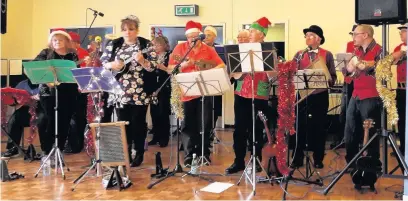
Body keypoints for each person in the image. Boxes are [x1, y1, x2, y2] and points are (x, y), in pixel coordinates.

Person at [100, 15, 156, 167]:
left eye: (131, 29)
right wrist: (113, 64)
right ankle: (126, 152)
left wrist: (143, 61)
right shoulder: (115, 44)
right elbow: (104, 63)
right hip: (119, 92)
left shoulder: (146, 44)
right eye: (124, 30)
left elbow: (153, 67)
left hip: (140, 91)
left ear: (137, 30)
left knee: (138, 123)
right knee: (123, 123)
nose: (127, 32)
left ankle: (138, 152)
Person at [168, 20, 225, 166]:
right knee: (188, 125)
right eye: (190, 36)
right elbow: (170, 68)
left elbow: (221, 65)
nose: (193, 39)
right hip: (186, 93)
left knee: (205, 124)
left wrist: (208, 71)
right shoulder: (180, 49)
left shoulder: (208, 49)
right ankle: (189, 155)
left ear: (200, 36)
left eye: (195, 36)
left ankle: (203, 153)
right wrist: (184, 65)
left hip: (205, 92)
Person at [225, 17, 272, 174]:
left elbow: (274, 76)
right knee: (239, 129)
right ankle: (238, 161)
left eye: (252, 31)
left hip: (259, 94)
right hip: (241, 93)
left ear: (261, 35)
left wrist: (267, 66)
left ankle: (256, 159)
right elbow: (232, 74)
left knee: (257, 129)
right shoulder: (239, 50)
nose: (250, 33)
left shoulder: (268, 50)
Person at [290, 25, 337, 169]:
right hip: (302, 95)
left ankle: (318, 158)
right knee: (299, 126)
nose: (307, 38)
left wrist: (326, 79)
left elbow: (333, 76)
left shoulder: (326, 54)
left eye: (310, 35)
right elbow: (292, 72)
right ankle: (297, 158)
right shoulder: (299, 54)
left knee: (319, 127)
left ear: (318, 38)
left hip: (320, 96)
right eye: (306, 36)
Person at [34, 28, 79, 162]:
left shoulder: (72, 55)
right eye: (54, 40)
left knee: (64, 122)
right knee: (49, 121)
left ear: (66, 41)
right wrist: (47, 80)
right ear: (51, 42)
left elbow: (75, 73)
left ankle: (59, 150)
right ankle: (47, 151)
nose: (57, 42)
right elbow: (36, 67)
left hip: (68, 93)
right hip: (48, 93)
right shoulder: (45, 53)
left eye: (60, 40)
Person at [344, 24, 382, 166]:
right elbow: (348, 70)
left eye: (355, 34)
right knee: (350, 129)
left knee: (371, 131)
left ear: (365, 35)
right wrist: (351, 66)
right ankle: (352, 162)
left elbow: (380, 68)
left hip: (371, 96)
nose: (353, 37)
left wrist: (361, 64)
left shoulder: (380, 50)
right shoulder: (356, 51)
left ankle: (371, 164)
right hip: (356, 94)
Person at [331, 25, 358, 149]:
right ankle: (343, 138)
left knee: (358, 112)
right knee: (344, 110)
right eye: (353, 34)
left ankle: (359, 140)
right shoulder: (347, 45)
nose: (354, 36)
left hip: (360, 83)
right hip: (348, 82)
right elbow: (341, 66)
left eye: (356, 34)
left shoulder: (366, 48)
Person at [1, 79, 42, 157]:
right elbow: (13, 101)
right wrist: (16, 100)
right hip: (27, 109)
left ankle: (46, 149)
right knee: (15, 119)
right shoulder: (22, 84)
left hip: (41, 108)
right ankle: (13, 148)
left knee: (43, 120)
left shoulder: (45, 84)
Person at [147, 35, 172, 147]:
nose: (155, 47)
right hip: (153, 88)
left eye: (157, 44)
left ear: (164, 45)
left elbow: (171, 71)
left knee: (163, 113)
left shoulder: (169, 56)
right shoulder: (151, 57)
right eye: (153, 45)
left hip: (164, 88)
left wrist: (163, 68)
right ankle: (155, 137)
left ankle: (164, 138)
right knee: (154, 113)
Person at [393, 23, 407, 155]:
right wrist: (402, 53)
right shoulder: (399, 47)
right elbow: (392, 60)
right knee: (401, 119)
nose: (401, 34)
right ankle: (402, 147)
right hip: (401, 89)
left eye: (403, 31)